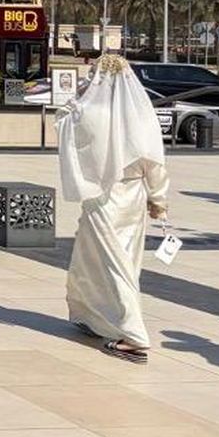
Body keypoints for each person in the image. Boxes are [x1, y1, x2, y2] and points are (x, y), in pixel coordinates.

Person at [59, 53, 169, 364]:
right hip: (132, 199)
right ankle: (94, 316)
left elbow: (63, 125)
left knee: (112, 264)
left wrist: (77, 100)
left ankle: (133, 336)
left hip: (102, 199)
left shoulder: (86, 111)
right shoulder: (141, 114)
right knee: (98, 261)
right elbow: (155, 163)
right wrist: (158, 199)